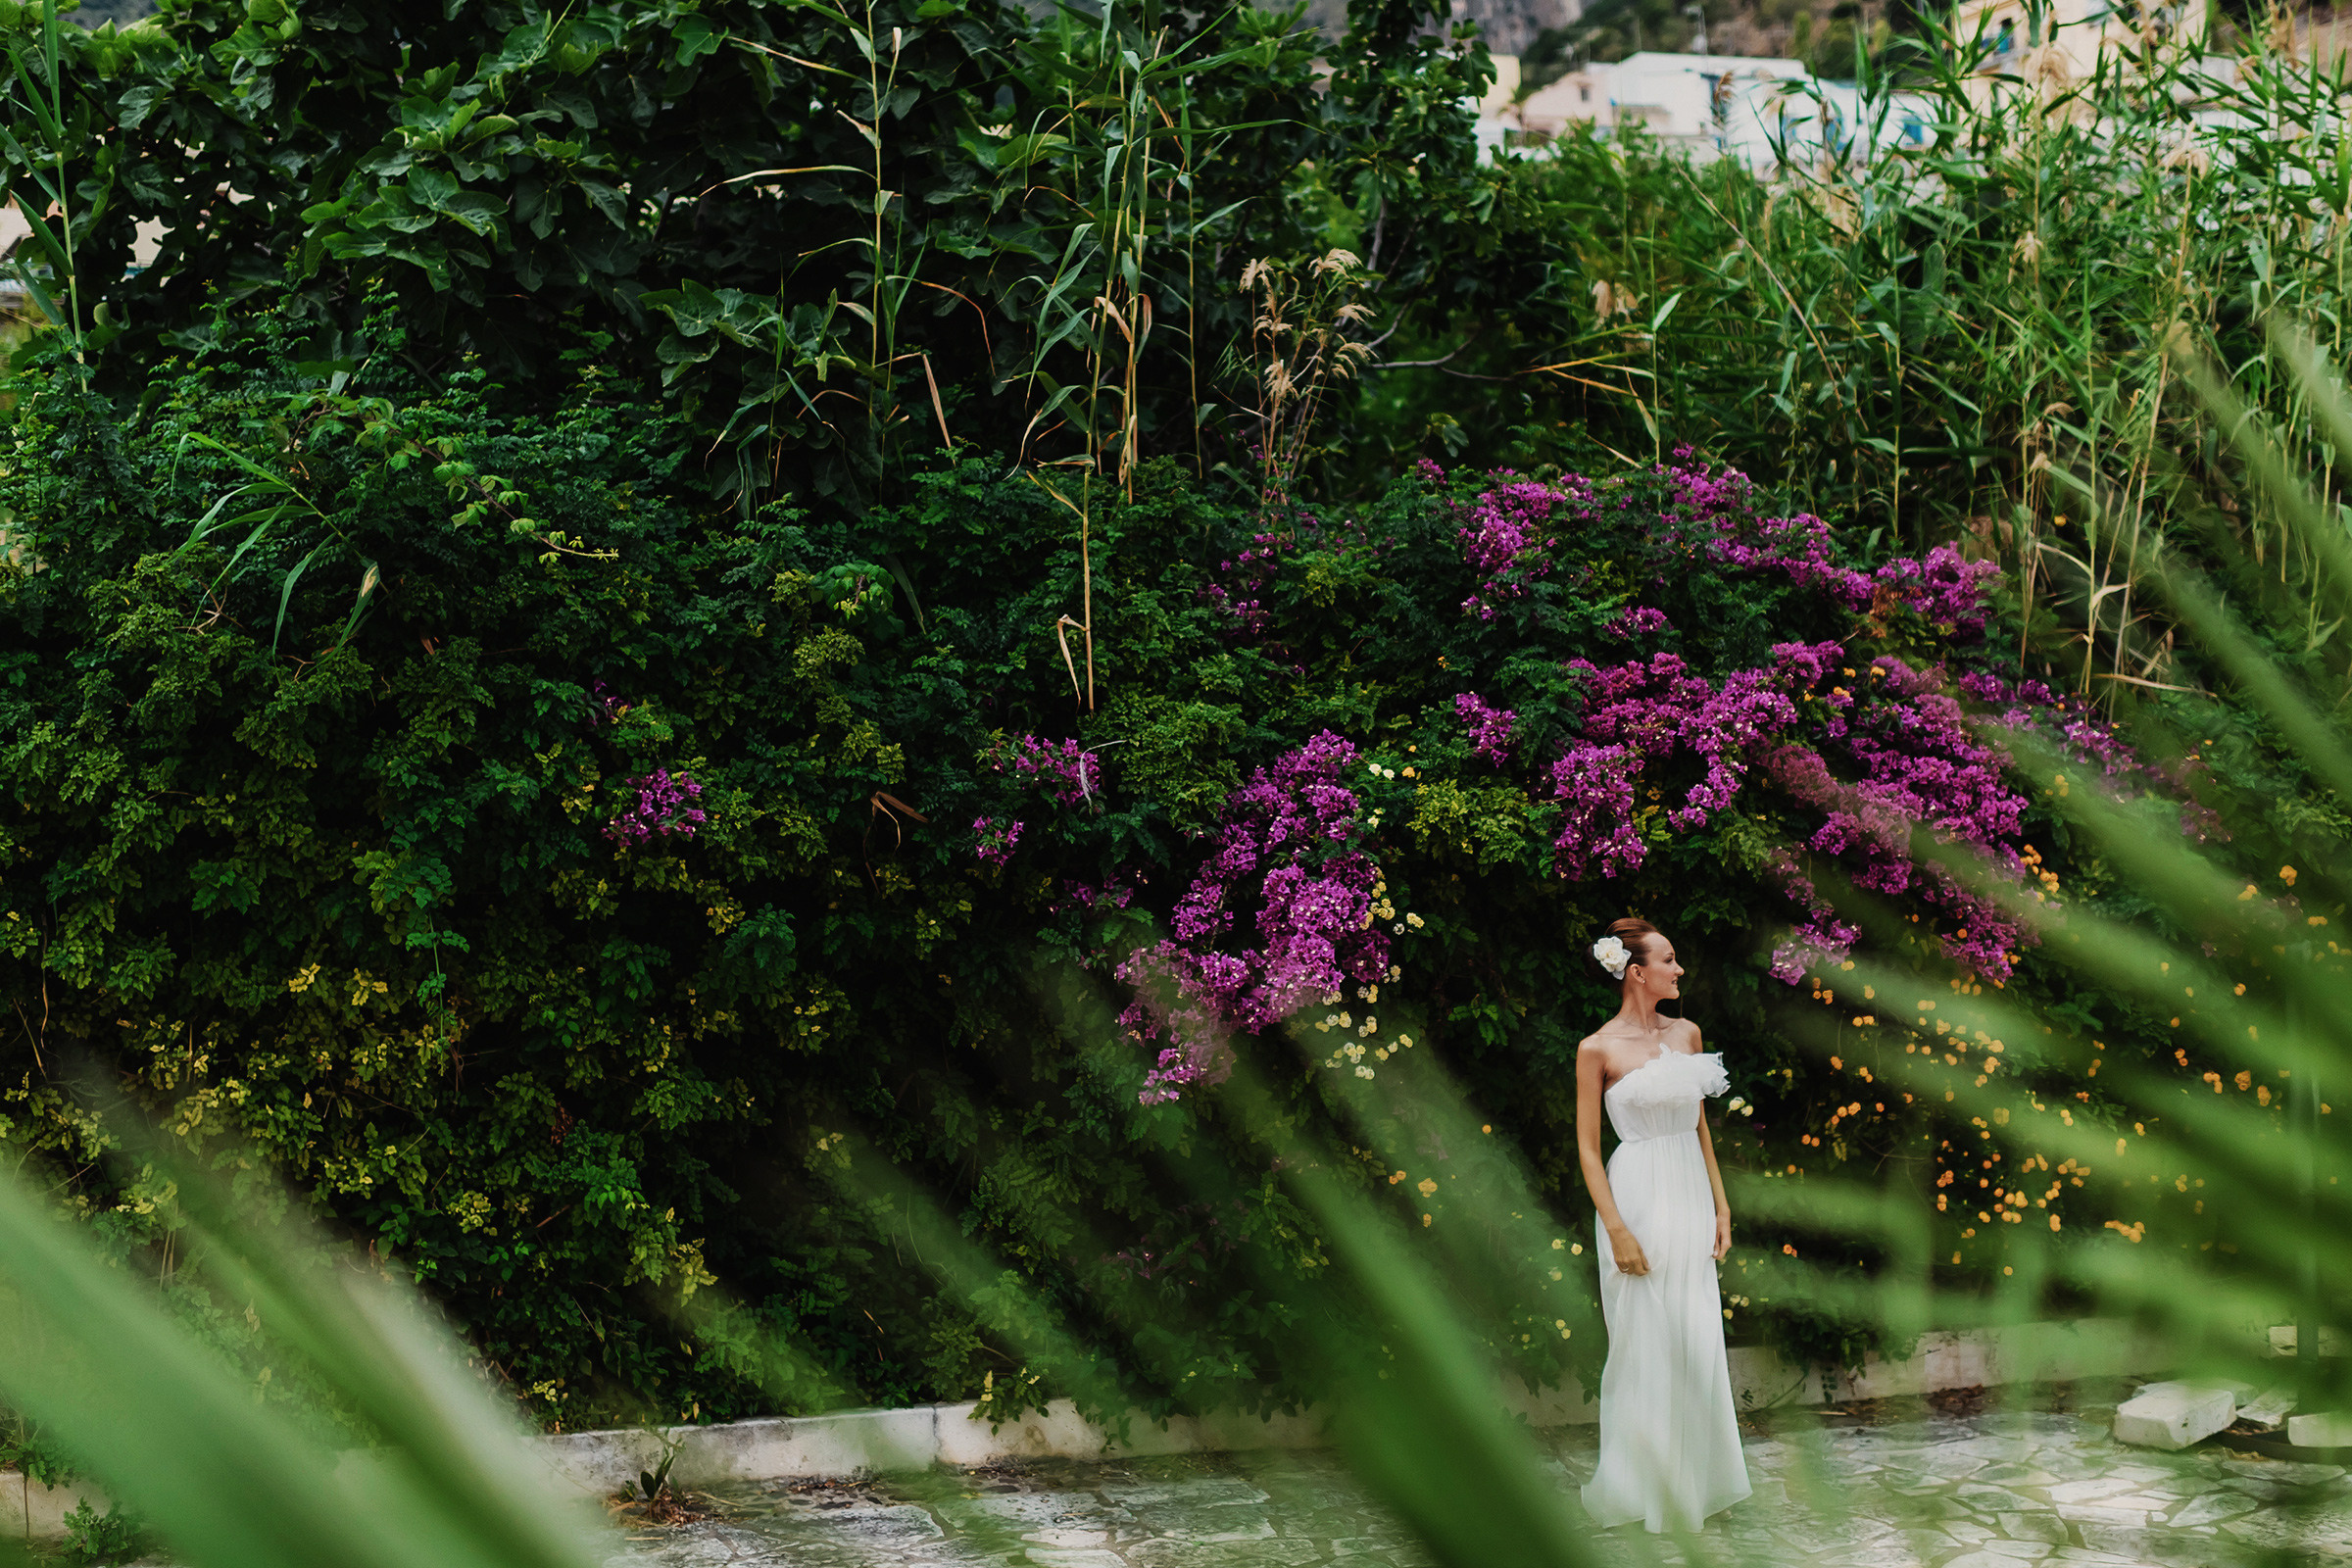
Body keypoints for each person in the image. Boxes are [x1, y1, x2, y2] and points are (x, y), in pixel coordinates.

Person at [1574, 916, 1750, 1533]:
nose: (1679, 971)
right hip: (1637, 1193)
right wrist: (1617, 1227)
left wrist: (1722, 1206)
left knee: (1695, 1335)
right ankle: (1637, 1488)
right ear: (1637, 971)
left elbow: (1699, 1123)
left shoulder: (1688, 1033)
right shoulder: (1597, 1049)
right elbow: (1590, 1151)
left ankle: (1694, 1488)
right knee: (1643, 1340)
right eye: (1669, 960)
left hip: (1691, 1192)